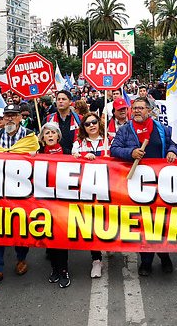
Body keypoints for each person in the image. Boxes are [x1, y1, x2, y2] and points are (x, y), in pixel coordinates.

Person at [111, 97, 177, 276]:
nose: (137, 111)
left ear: (149, 110)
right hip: (138, 184)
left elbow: (173, 143)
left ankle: (165, 257)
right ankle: (146, 261)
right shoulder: (125, 130)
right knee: (143, 223)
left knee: (161, 222)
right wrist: (130, 153)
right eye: (135, 108)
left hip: (161, 183)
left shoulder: (161, 129)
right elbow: (114, 149)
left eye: (141, 108)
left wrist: (172, 151)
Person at [0, 104, 39, 287]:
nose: (9, 119)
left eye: (13, 116)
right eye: (6, 115)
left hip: (23, 189)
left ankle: (21, 259)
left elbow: (38, 161)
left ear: (20, 118)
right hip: (1, 188)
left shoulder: (29, 135)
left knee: (20, 224)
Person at [71, 113, 110, 278]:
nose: (92, 125)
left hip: (109, 189)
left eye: (94, 122)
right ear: (83, 128)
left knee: (108, 221)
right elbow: (72, 159)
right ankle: (96, 260)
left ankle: (110, 244)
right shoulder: (78, 143)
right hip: (87, 190)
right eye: (87, 124)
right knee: (93, 224)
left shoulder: (109, 140)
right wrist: (82, 157)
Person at [37, 123, 72, 288]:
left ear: (58, 136)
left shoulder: (67, 152)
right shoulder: (36, 155)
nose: (50, 136)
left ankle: (64, 270)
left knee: (60, 237)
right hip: (44, 202)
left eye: (53, 133)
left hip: (63, 201)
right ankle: (54, 269)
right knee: (49, 236)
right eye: (47, 133)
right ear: (43, 138)